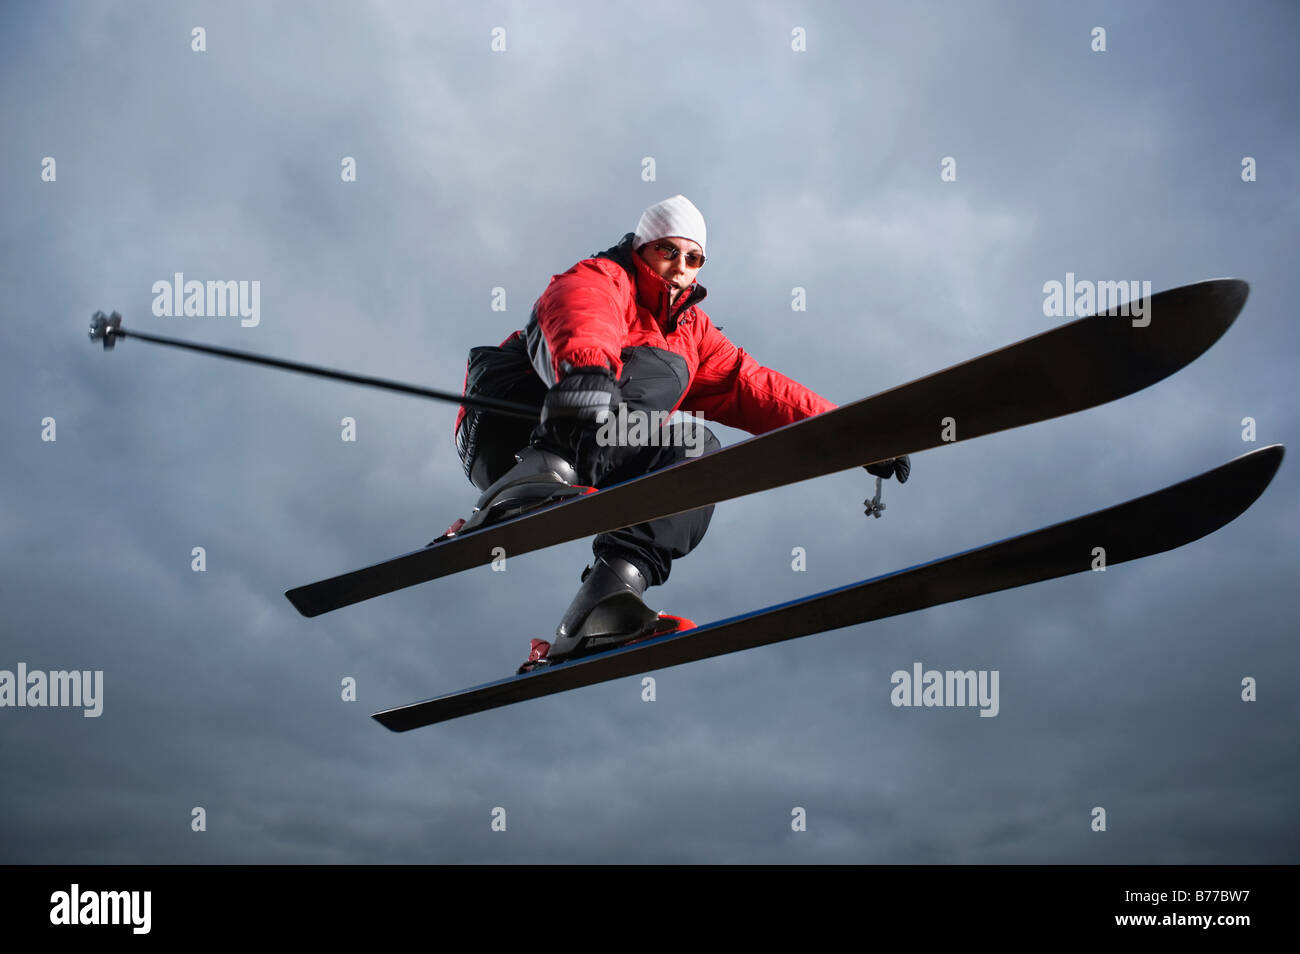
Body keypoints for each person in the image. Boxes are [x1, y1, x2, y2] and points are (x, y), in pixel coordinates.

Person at [451, 195, 909, 670]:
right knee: (660, 370)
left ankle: (604, 602)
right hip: (512, 425)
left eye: (693, 259)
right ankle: (541, 471)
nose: (679, 267)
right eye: (668, 252)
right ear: (642, 248)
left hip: (601, 440)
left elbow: (757, 389)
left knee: (698, 450)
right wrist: (587, 373)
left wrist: (854, 436)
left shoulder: (695, 335)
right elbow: (582, 315)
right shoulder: (603, 277)